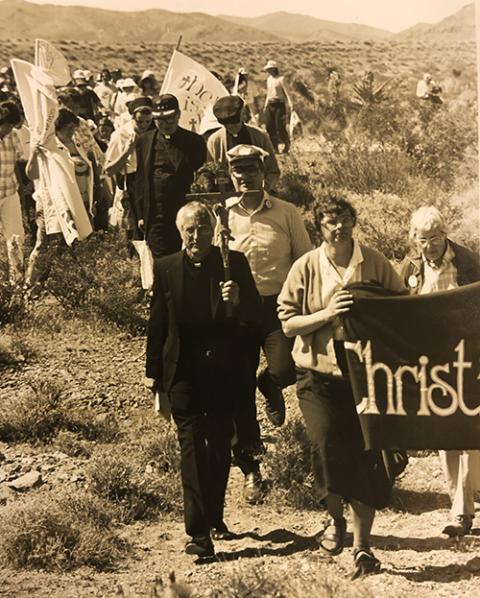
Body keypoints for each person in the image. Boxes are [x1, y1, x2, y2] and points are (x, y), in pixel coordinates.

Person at [277, 195, 405, 579]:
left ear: (354, 222)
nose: (339, 227)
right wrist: (327, 315)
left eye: (345, 219)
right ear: (319, 227)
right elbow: (287, 322)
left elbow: (403, 306)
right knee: (326, 444)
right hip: (318, 377)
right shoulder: (306, 267)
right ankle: (335, 520)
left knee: (368, 457)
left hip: (366, 379)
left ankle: (363, 547)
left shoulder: (374, 262)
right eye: (331, 221)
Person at [145, 201, 262, 558]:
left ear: (215, 232)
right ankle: (198, 534)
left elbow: (256, 317)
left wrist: (238, 301)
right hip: (183, 374)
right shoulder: (166, 269)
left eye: (203, 230)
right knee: (192, 450)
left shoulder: (234, 263)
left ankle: (214, 517)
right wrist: (155, 381)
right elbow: (158, 327)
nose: (197, 237)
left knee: (218, 448)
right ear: (181, 233)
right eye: (190, 231)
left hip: (224, 372)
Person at [224, 144, 312, 503]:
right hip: (240, 311)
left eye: (251, 170)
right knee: (238, 392)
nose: (245, 178)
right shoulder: (224, 215)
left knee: (285, 369)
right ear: (231, 176)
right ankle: (251, 469)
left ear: (265, 174)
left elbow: (305, 260)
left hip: (279, 306)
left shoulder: (287, 213)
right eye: (238, 172)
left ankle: (269, 383)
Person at [400, 205, 480, 536]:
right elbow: (400, 312)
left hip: (472, 357)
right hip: (433, 364)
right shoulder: (409, 268)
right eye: (422, 240)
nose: (429, 246)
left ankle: (463, 509)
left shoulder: (470, 264)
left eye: (435, 238)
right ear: (412, 239)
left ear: (446, 234)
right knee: (446, 434)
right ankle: (460, 504)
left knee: (472, 433)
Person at [135, 94, 206, 259]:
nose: (165, 124)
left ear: (178, 115)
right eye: (160, 120)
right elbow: (140, 178)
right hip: (157, 215)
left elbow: (202, 176)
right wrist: (140, 214)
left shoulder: (194, 142)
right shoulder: (144, 140)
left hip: (186, 211)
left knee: (190, 257)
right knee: (161, 262)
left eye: (169, 119)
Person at [105, 97, 155, 241]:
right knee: (132, 230)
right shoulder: (120, 135)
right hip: (131, 184)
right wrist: (127, 151)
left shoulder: (153, 131)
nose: (144, 125)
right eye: (140, 122)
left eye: (148, 121)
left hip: (151, 183)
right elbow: (109, 170)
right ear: (132, 117)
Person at [207, 95, 280, 193]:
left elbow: (273, 171)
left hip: (260, 193)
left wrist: (262, 189)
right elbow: (210, 174)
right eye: (226, 125)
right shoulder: (214, 141)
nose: (231, 127)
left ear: (242, 114)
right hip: (228, 197)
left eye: (234, 122)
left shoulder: (259, 136)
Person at [0, 100, 25, 285]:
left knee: (16, 237)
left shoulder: (13, 136)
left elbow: (19, 162)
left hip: (9, 191)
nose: (10, 129)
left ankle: (17, 281)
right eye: (7, 125)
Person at [262, 60, 293, 154]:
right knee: (269, 126)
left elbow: (287, 93)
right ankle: (274, 147)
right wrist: (265, 104)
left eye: (270, 69)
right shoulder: (269, 79)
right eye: (268, 70)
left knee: (280, 126)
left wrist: (291, 104)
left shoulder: (281, 79)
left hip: (279, 104)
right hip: (270, 104)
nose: (269, 71)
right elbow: (269, 93)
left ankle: (287, 144)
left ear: (274, 69)